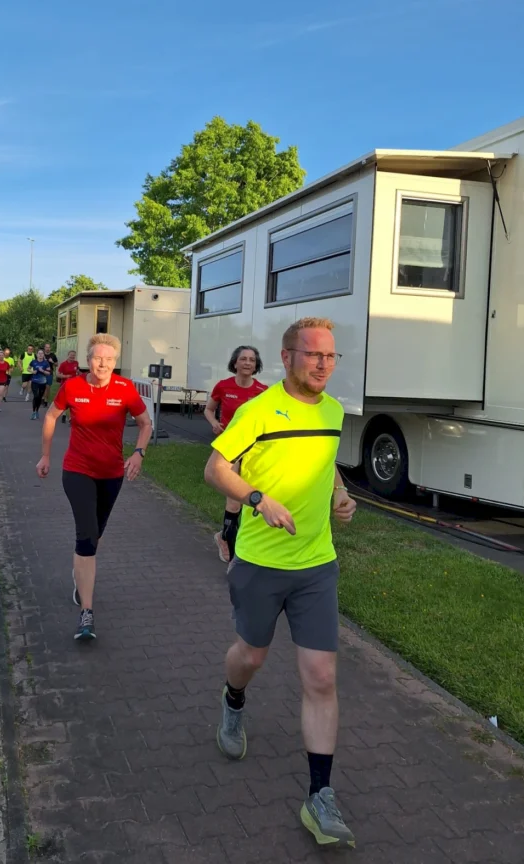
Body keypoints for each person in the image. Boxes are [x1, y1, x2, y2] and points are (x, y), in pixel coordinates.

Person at [204, 317, 357, 849]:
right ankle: (233, 699)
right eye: (313, 355)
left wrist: (339, 493)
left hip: (316, 564)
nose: (323, 364)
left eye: (331, 357)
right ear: (288, 357)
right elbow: (215, 468)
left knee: (320, 676)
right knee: (251, 656)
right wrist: (255, 499)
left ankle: (320, 795)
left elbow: (327, 462)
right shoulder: (258, 410)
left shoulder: (335, 413)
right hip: (260, 561)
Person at [36, 333, 153, 641]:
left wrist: (139, 453)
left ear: (116, 362)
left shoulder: (125, 389)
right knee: (86, 535)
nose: (103, 363)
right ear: (88, 360)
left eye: (109, 359)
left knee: (95, 536)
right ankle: (86, 613)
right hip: (77, 471)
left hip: (112, 474)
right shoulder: (72, 387)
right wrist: (46, 455)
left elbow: (145, 423)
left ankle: (80, 575)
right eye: (98, 358)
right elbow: (51, 415)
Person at [204, 346, 268, 563]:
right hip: (230, 451)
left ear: (256, 364)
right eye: (243, 359)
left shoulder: (263, 390)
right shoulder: (223, 386)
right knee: (233, 503)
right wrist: (214, 423)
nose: (248, 363)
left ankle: (228, 537)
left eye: (252, 360)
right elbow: (209, 409)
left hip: (254, 452)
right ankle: (230, 554)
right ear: (235, 363)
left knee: (253, 499)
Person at [56, 350, 79, 423]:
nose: (72, 357)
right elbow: (58, 374)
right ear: (68, 355)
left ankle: (71, 417)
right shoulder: (63, 364)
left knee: (73, 400)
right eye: (71, 355)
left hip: (74, 384)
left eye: (73, 355)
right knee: (66, 400)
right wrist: (65, 376)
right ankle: (64, 414)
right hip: (65, 384)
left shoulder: (76, 363)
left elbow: (77, 371)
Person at [29, 349, 52, 419]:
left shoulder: (46, 363)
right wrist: (32, 372)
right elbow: (28, 369)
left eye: (42, 353)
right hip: (34, 381)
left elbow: (49, 373)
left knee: (39, 397)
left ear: (43, 355)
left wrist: (43, 371)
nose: (40, 355)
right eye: (39, 353)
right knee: (36, 396)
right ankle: (33, 412)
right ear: (37, 354)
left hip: (42, 382)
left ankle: (37, 411)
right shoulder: (33, 362)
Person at [41, 342, 58, 408]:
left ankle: (45, 401)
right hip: (42, 373)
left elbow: (57, 364)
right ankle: (42, 398)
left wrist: (52, 362)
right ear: (44, 348)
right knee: (42, 387)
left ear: (50, 348)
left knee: (48, 387)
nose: (48, 348)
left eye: (49, 347)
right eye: (46, 347)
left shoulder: (53, 355)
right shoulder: (41, 355)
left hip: (49, 373)